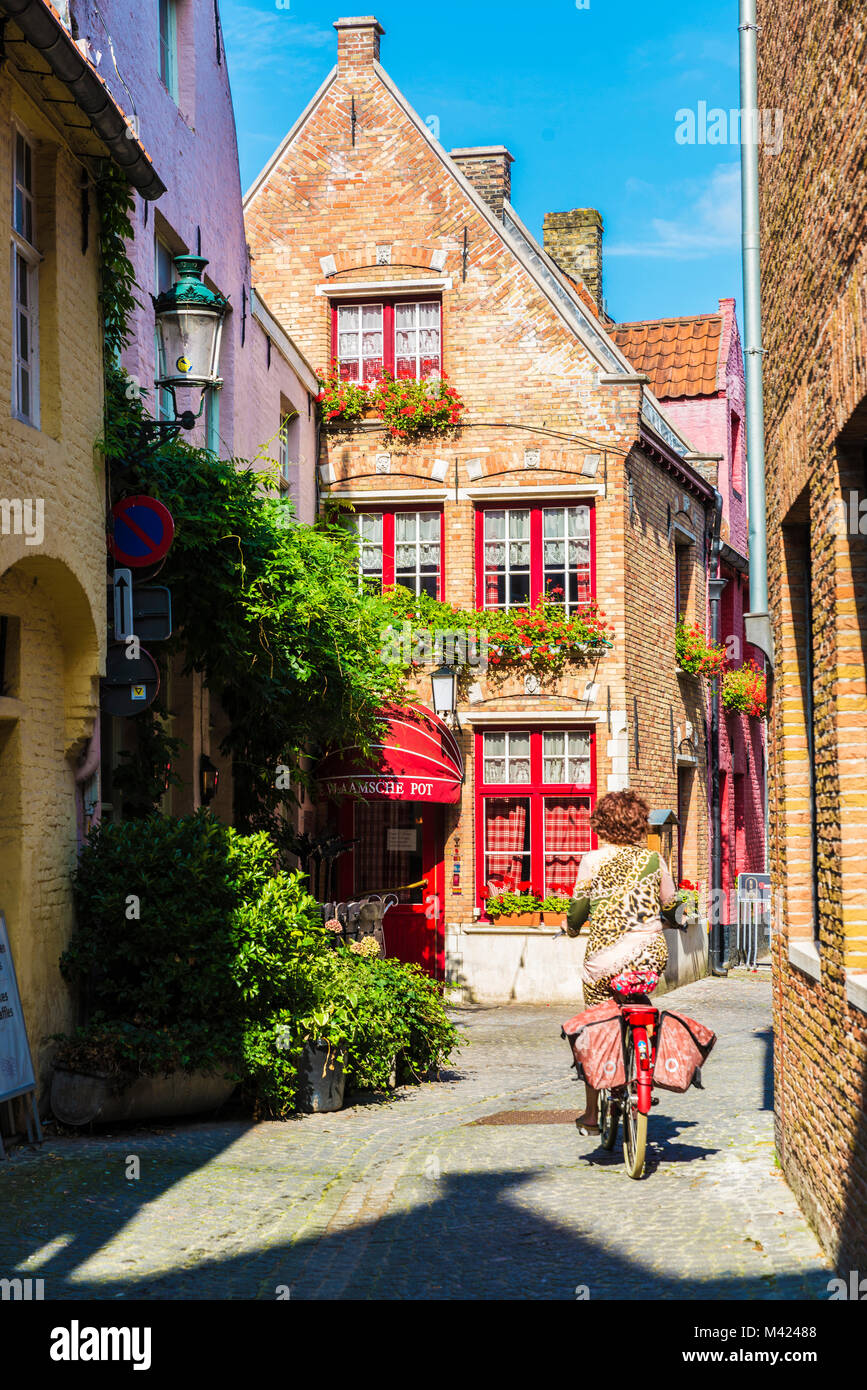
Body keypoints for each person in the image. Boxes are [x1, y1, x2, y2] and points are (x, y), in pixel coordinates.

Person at [566, 789, 679, 1134]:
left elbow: (579, 908)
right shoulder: (654, 861)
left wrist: (571, 927)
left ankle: (591, 1115)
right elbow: (671, 903)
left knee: (596, 1025)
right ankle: (644, 1069)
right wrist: (673, 918)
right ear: (641, 824)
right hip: (649, 955)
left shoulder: (592, 860)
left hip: (604, 959)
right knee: (637, 997)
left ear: (601, 824)